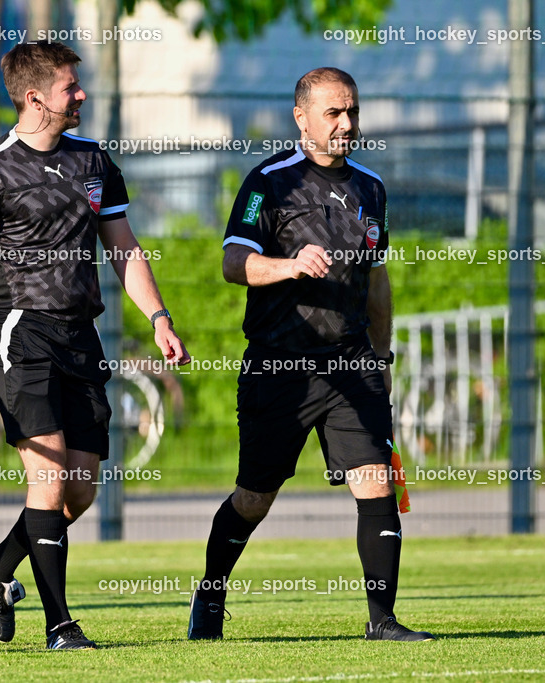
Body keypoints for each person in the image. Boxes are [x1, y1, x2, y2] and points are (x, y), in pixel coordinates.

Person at [0, 41, 190, 650]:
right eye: (69, 87)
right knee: (50, 478)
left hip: (79, 337)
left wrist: (159, 317)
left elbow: (124, 247)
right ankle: (60, 624)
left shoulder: (94, 161)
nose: (80, 95)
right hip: (18, 332)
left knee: (79, 488)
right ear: (35, 98)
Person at [187, 67, 433, 642]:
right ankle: (211, 592)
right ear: (302, 118)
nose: (346, 124)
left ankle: (383, 621)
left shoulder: (371, 188)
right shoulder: (268, 182)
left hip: (351, 361)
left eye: (351, 111)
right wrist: (290, 265)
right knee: (255, 496)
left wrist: (382, 355)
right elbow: (232, 264)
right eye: (333, 113)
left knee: (374, 481)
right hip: (280, 366)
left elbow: (376, 280)